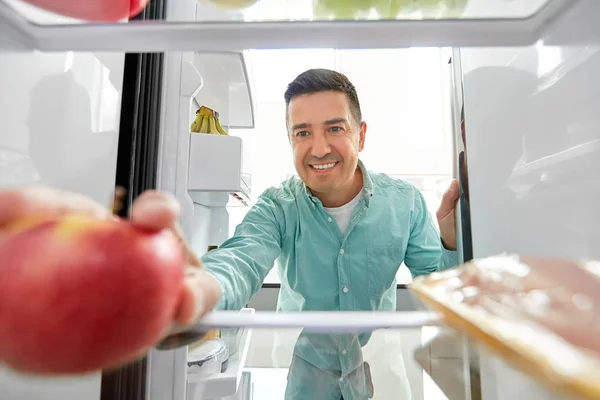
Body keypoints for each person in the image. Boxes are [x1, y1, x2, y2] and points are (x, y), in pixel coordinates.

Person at [0, 68, 459, 399]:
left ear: (360, 134)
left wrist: (452, 243)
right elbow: (241, 258)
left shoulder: (406, 203)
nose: (318, 148)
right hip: (302, 365)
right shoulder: (279, 205)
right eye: (302, 133)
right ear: (291, 140)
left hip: (379, 364)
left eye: (334, 128)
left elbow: (438, 286)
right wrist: (195, 288)